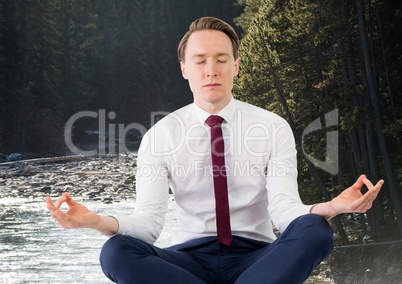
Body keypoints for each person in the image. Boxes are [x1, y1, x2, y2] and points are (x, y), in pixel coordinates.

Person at [46, 17, 384, 284]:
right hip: (188, 264)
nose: (211, 69)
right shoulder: (159, 136)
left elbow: (285, 210)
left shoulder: (272, 126)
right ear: (184, 69)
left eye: (221, 59)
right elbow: (148, 225)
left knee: (315, 230)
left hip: (259, 259)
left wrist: (331, 207)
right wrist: (94, 221)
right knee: (115, 252)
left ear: (235, 66)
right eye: (200, 60)